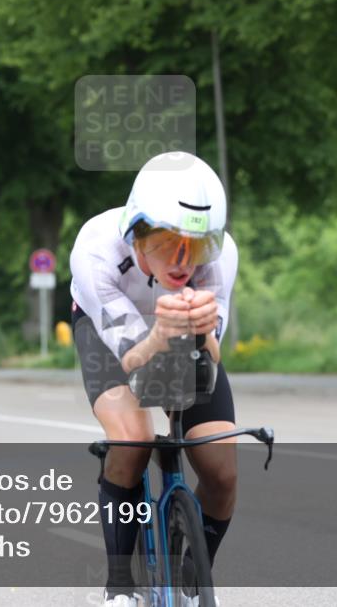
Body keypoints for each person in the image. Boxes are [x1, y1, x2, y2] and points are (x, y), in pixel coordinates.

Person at [69, 151, 238, 607]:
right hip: (111, 334)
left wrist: (203, 330)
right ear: (136, 232)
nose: (184, 260)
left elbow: (214, 353)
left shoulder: (221, 258)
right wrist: (160, 333)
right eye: (166, 241)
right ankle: (119, 585)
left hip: (180, 330)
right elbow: (132, 358)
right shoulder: (95, 249)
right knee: (132, 439)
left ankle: (191, 574)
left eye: (197, 245)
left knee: (221, 470)